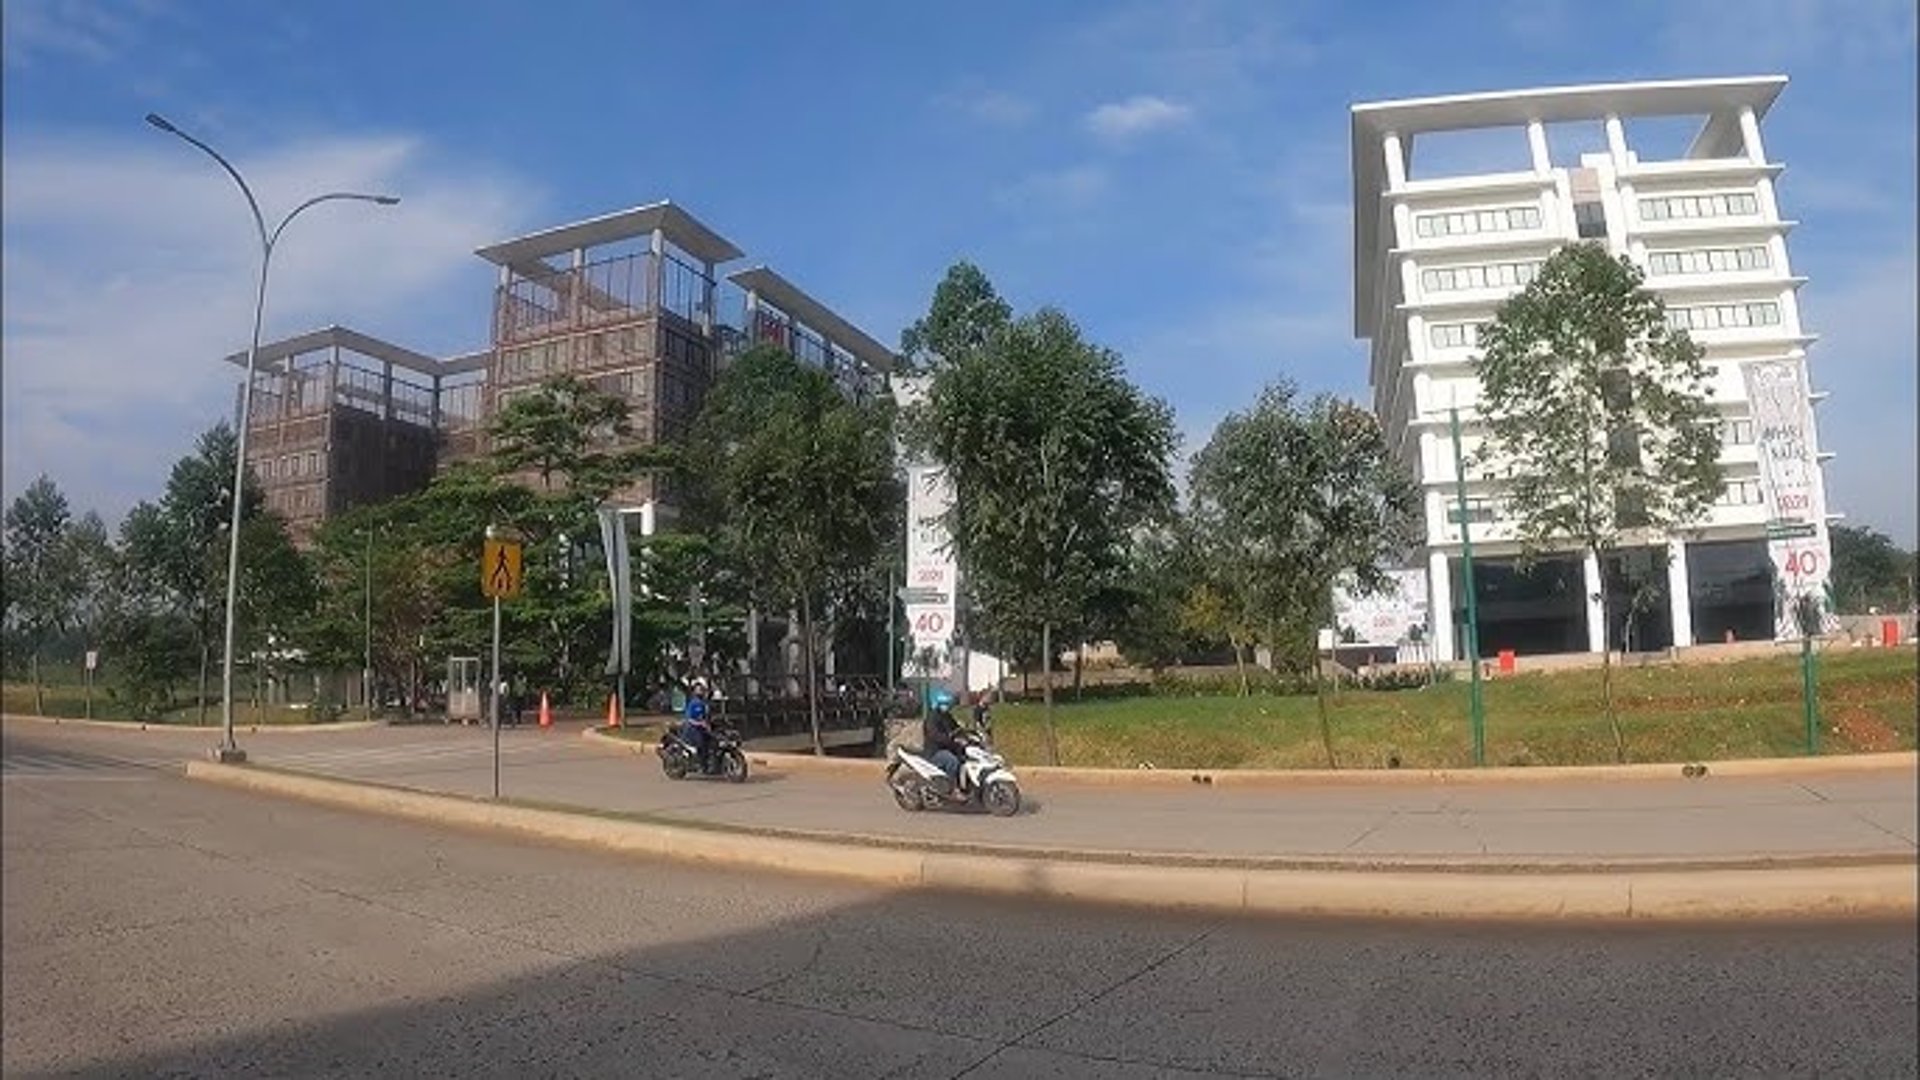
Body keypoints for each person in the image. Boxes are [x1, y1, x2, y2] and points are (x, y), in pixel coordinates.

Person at [922, 688, 966, 792]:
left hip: (947, 747)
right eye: (944, 704)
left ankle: (963, 785)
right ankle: (952, 788)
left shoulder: (946, 715)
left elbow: (955, 727)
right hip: (934, 751)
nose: (946, 706)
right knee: (952, 761)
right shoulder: (932, 718)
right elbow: (935, 735)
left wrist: (965, 732)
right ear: (937, 703)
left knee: (964, 757)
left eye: (947, 704)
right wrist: (952, 740)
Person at [681, 694, 713, 772]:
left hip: (702, 729)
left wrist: (708, 724)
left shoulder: (705, 705)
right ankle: (700, 764)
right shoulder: (693, 704)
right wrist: (699, 723)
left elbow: (707, 718)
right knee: (701, 743)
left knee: (711, 741)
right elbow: (689, 719)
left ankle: (708, 762)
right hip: (691, 729)